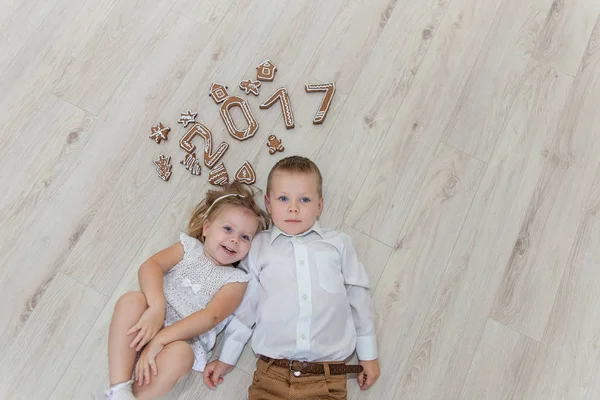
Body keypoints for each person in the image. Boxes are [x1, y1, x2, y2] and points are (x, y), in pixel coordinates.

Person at [204, 156, 380, 399]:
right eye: (283, 198)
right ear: (268, 203)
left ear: (320, 205)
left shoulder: (338, 244)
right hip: (271, 374)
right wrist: (227, 357)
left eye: (304, 200)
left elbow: (358, 298)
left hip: (328, 378)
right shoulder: (257, 247)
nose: (293, 208)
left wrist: (368, 354)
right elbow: (246, 308)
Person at [105, 182, 270, 399]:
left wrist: (161, 339)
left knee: (182, 355)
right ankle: (119, 388)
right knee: (132, 300)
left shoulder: (237, 280)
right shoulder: (188, 248)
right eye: (228, 229)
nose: (234, 240)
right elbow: (151, 266)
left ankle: (134, 396)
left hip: (178, 341)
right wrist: (156, 308)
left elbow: (211, 316)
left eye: (245, 237)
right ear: (207, 227)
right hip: (151, 319)